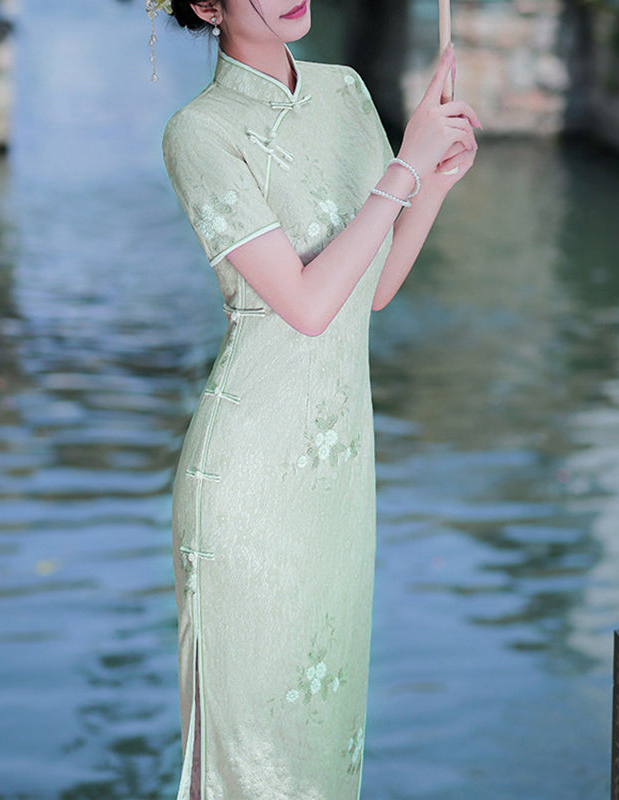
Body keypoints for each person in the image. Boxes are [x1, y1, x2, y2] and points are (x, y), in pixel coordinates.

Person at [157, 1, 482, 797]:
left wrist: (433, 182)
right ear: (207, 5)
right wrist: (403, 168)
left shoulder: (345, 93)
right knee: (252, 764)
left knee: (325, 748)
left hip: (337, 486)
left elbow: (368, 290)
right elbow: (303, 306)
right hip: (250, 483)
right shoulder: (200, 132)